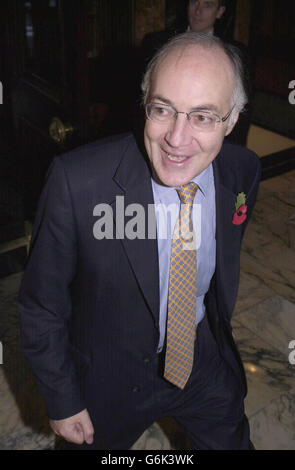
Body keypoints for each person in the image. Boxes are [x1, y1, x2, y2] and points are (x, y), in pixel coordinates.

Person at [18, 32, 261, 450]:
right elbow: (42, 305)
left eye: (203, 116)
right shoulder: (78, 183)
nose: (177, 139)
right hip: (107, 378)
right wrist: (61, 399)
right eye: (163, 109)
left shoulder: (243, 171)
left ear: (233, 119)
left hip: (201, 358)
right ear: (145, 101)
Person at [140, 0, 252, 146]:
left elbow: (243, 111)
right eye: (194, 2)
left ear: (220, 11)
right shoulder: (155, 42)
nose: (198, 11)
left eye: (208, 5)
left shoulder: (237, 53)